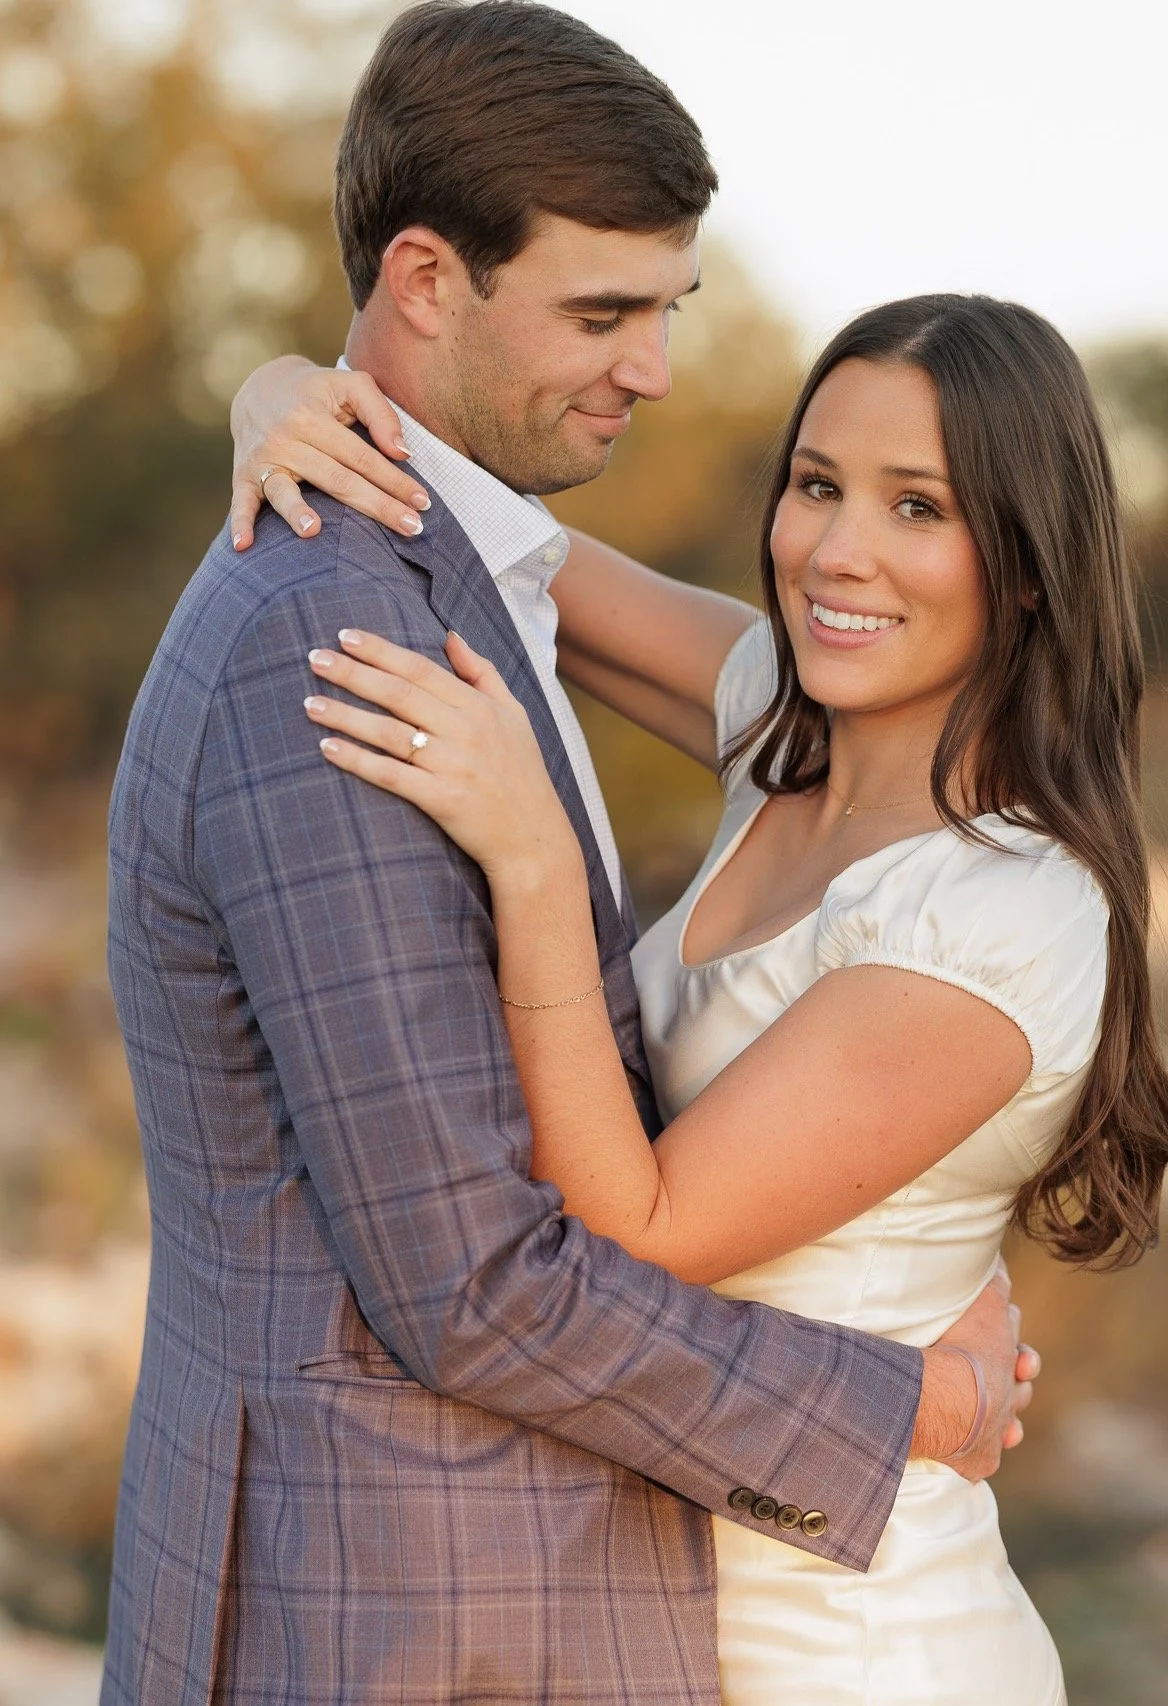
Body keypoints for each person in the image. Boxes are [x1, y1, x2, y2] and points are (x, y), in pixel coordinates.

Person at [103, 6, 1034, 1705]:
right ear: (426, 279)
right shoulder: (340, 640)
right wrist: (913, 1409)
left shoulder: (537, 604)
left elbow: (514, 538)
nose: (655, 368)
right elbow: (469, 1280)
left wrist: (298, 380)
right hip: (414, 1607)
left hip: (604, 1591)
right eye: (601, 313)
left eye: (666, 309)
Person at [229, 284, 1168, 1700]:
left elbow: (637, 1228)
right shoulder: (783, 727)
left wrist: (538, 871)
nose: (836, 550)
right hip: (655, 1602)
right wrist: (277, 398)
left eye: (918, 507)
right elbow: (510, 555)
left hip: (852, 1645)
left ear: (1030, 563)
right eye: (817, 484)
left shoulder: (1000, 912)